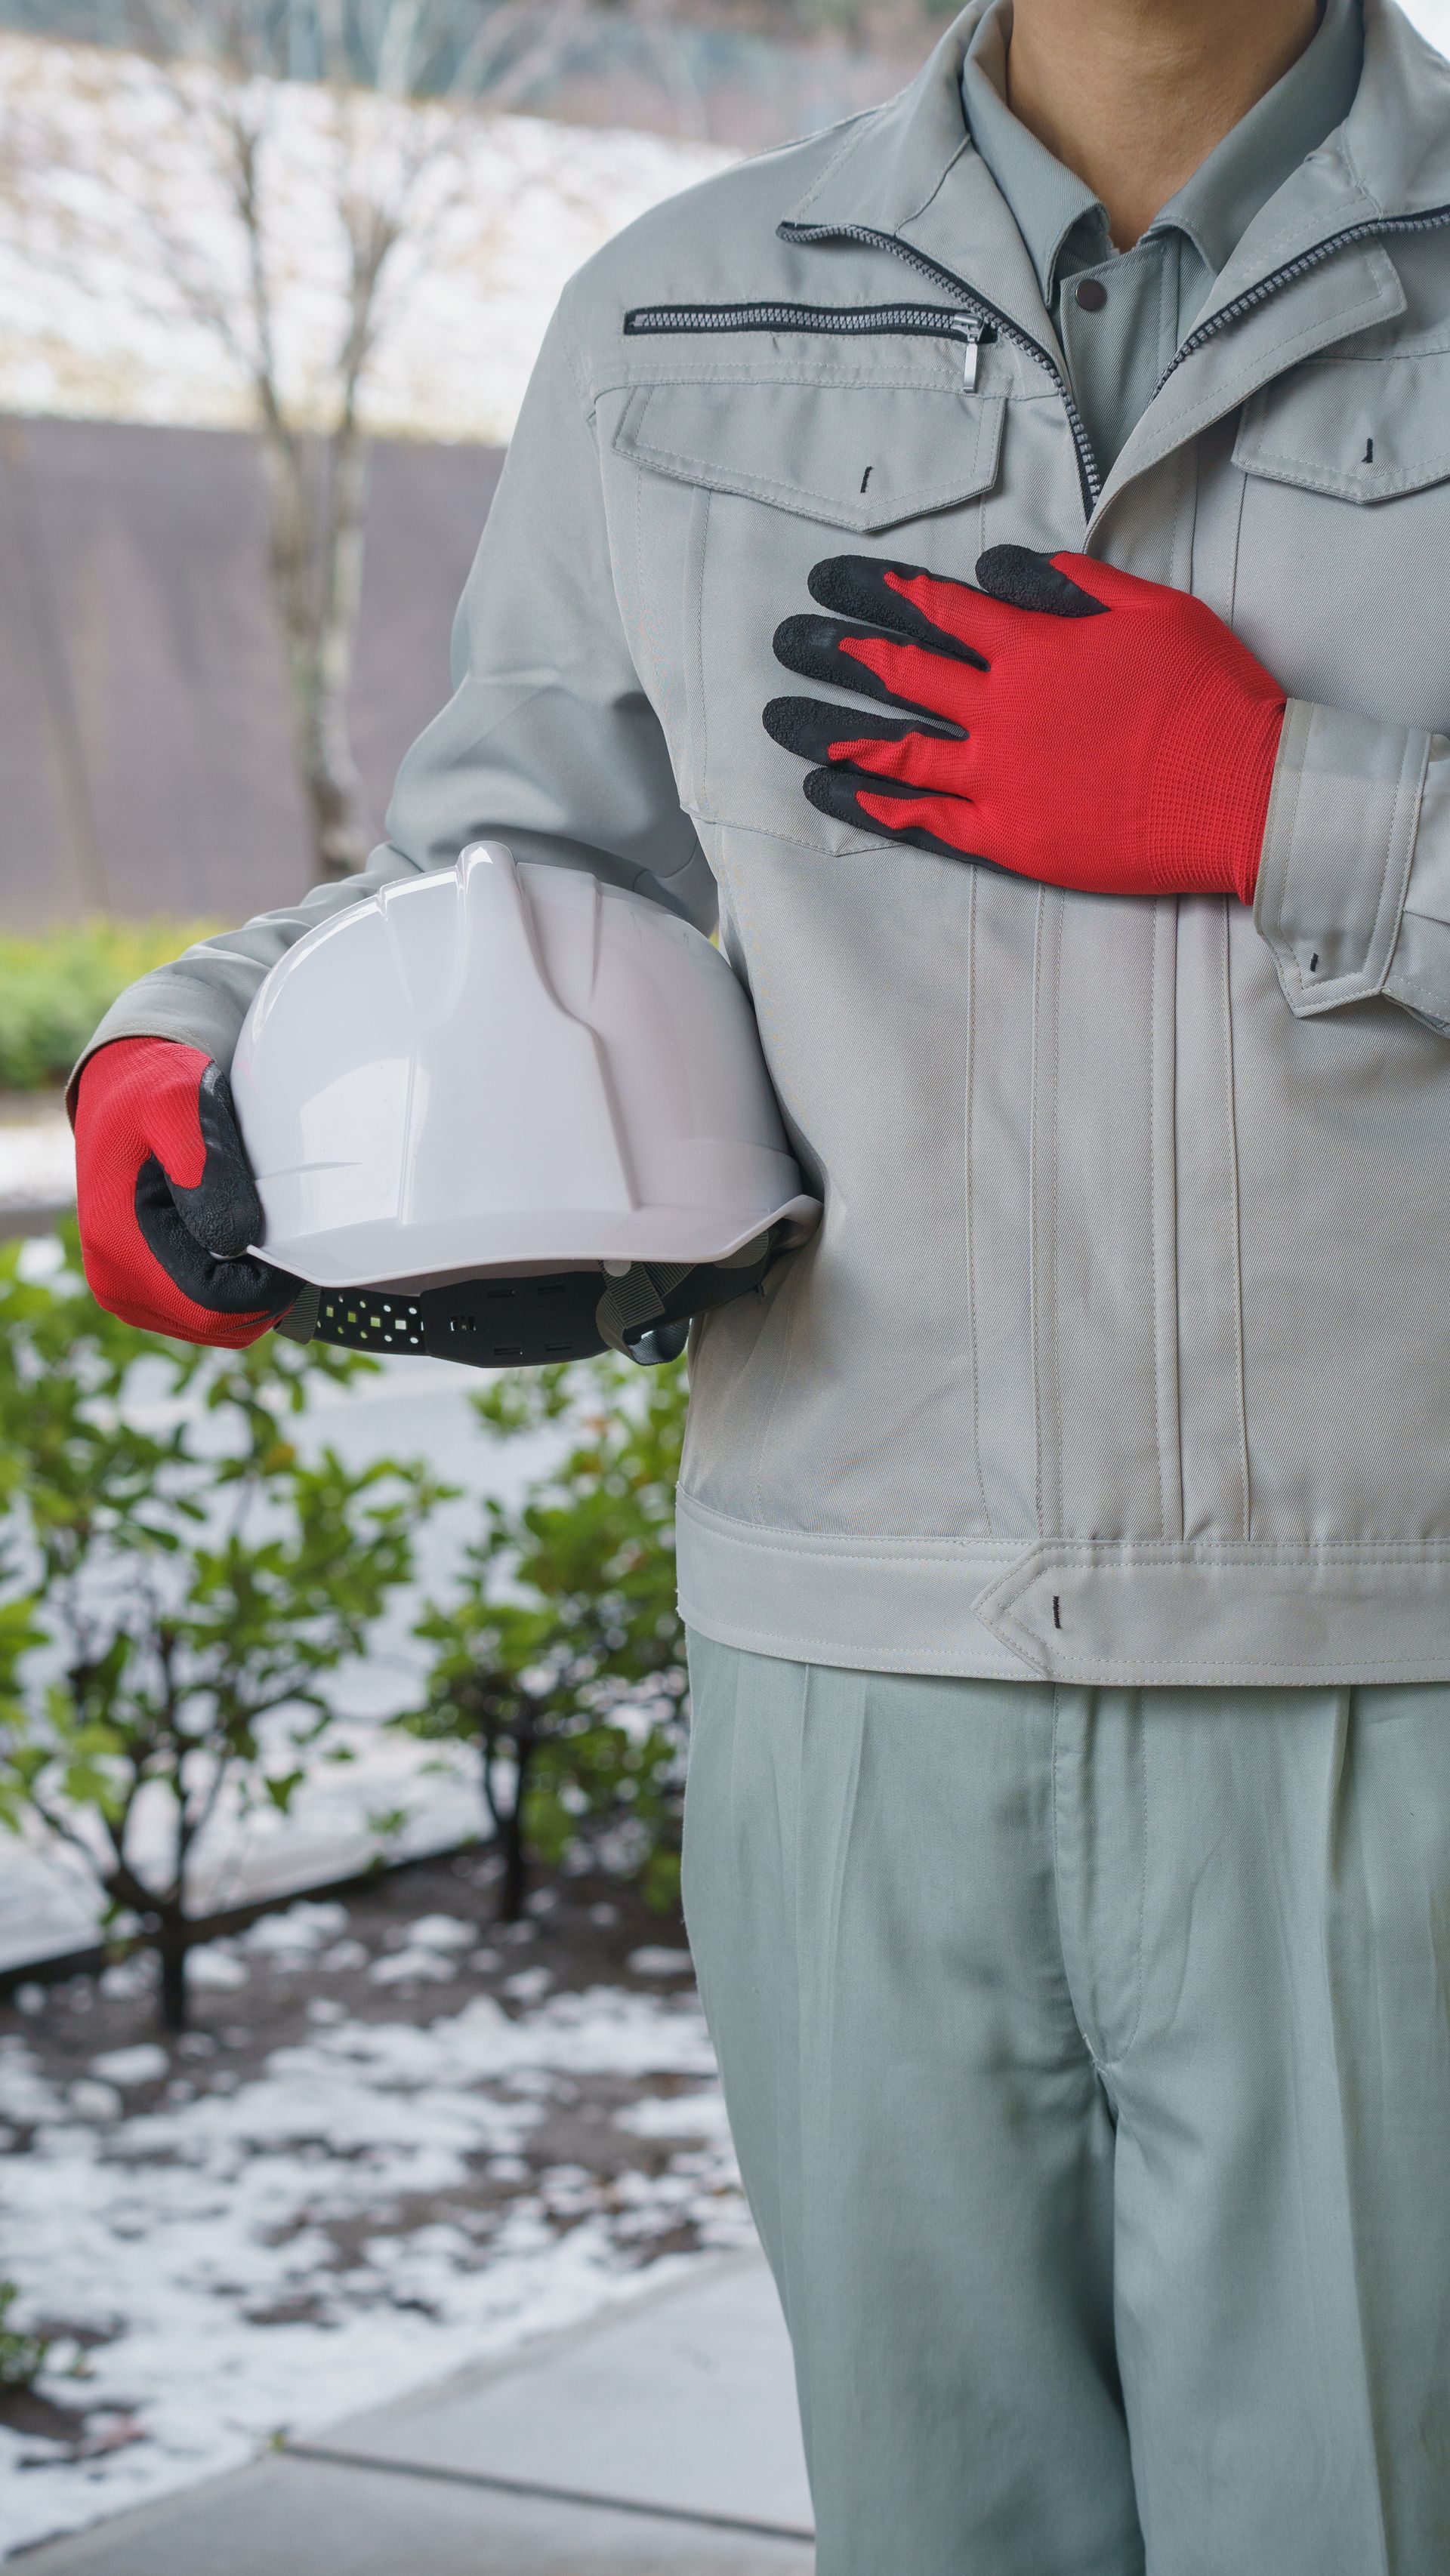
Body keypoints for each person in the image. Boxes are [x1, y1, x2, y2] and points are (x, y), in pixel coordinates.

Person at [71, 0, 1450, 2564]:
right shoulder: (684, 314)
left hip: (1384, 1677)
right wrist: (202, 1045)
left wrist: (1299, 808)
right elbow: (528, 873)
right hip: (854, 1675)